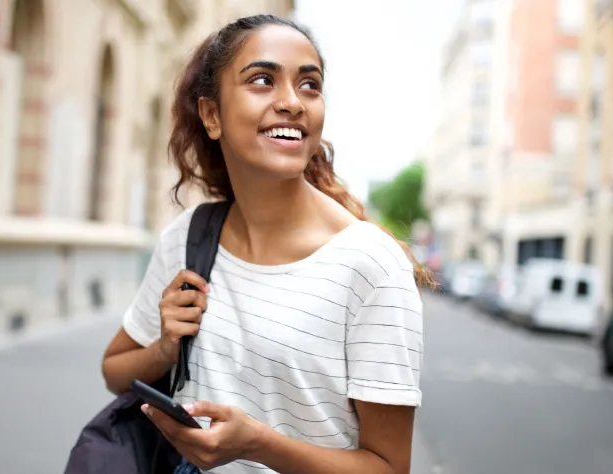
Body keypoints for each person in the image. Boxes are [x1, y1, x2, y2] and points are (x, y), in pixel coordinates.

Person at [101, 14, 433, 474]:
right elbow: (115, 372)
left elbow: (389, 468)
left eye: (310, 85)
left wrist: (256, 443)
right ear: (212, 116)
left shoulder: (372, 266)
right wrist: (164, 348)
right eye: (263, 80)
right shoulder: (190, 237)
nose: (293, 102)